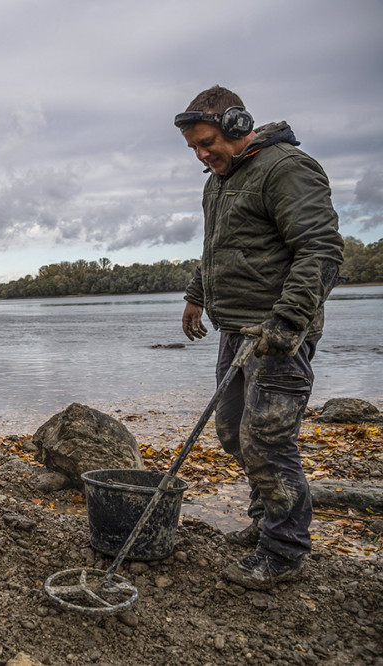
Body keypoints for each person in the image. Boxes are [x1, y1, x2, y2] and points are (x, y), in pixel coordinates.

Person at [174, 85, 344, 590]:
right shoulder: (219, 181)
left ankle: (284, 551)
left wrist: (288, 321)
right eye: (195, 150)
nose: (203, 156)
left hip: (278, 336)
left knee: (267, 442)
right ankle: (263, 516)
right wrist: (195, 295)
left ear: (235, 123)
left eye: (208, 143)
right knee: (232, 433)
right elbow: (216, 248)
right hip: (235, 330)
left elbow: (321, 251)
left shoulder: (286, 168)